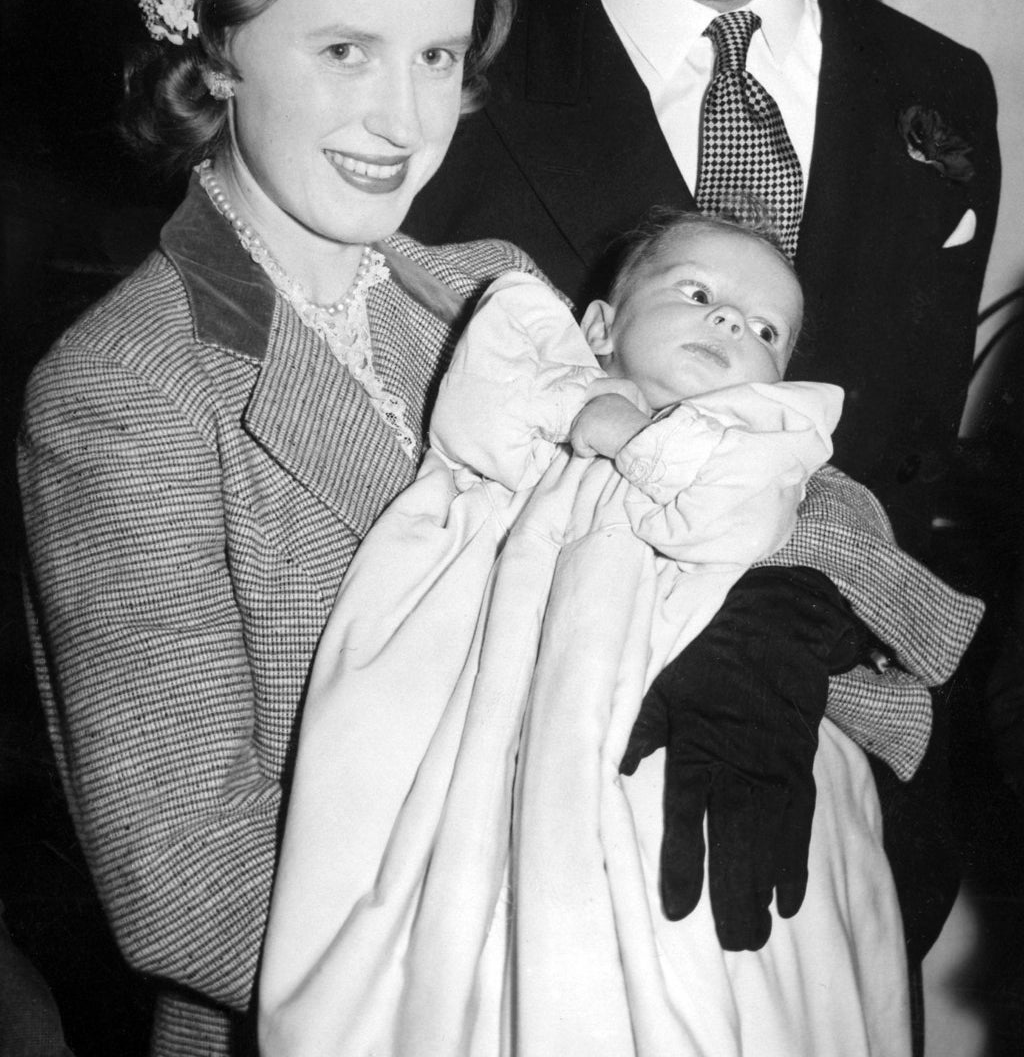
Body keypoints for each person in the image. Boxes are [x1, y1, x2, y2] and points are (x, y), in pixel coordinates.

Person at [404, 0, 1001, 976]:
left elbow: (911, 480)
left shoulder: (939, 97)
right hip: (533, 876)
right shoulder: (448, 57)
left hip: (837, 858)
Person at [16, 0, 541, 1057]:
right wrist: (549, 963)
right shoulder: (121, 392)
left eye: (435, 56)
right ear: (216, 51)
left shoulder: (495, 298)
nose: (403, 121)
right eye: (344, 50)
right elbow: (191, 890)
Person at [259, 210, 980, 1057]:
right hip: (499, 690)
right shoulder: (537, 360)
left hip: (678, 725)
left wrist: (645, 445)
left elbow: (735, 519)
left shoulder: (766, 446)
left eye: (764, 330)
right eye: (699, 293)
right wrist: (588, 405)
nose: (728, 324)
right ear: (599, 323)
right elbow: (480, 404)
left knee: (715, 938)